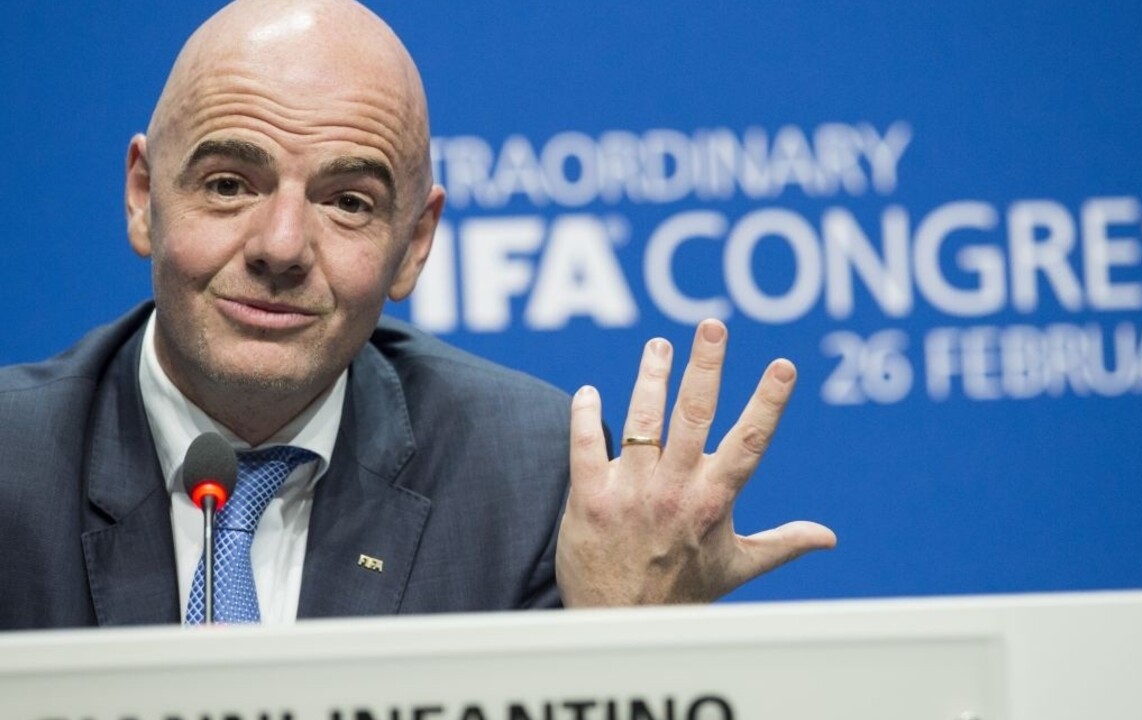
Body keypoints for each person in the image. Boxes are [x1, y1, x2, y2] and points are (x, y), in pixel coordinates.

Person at [0, 0, 835, 629]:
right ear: (144, 196)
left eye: (348, 202)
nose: (281, 246)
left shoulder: (529, 483)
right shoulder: (13, 468)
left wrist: (624, 649)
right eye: (229, 184)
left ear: (414, 245)